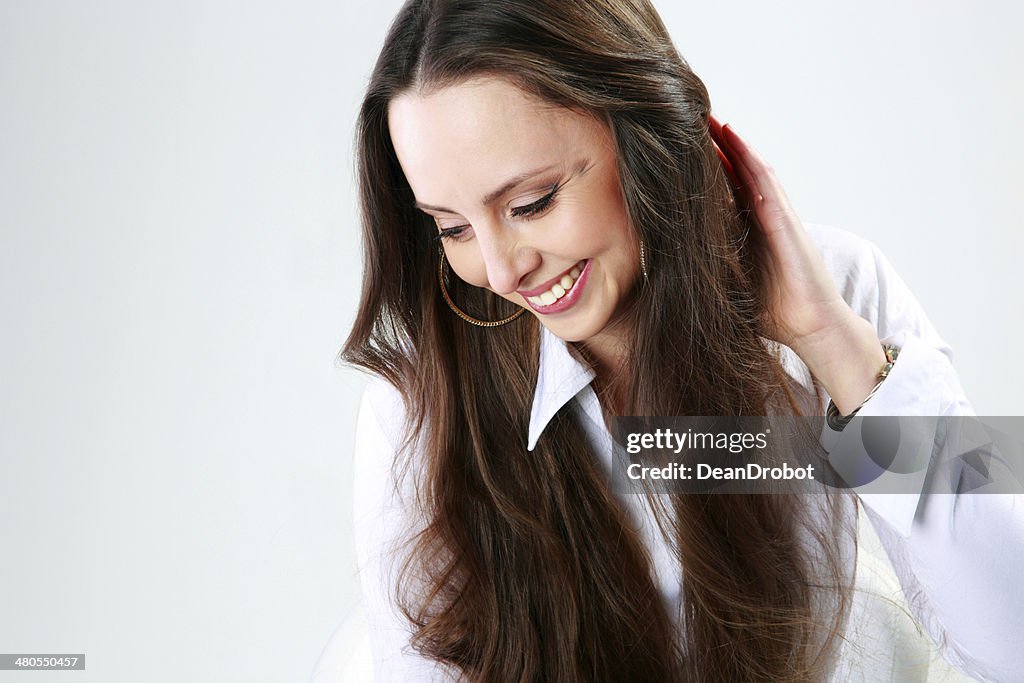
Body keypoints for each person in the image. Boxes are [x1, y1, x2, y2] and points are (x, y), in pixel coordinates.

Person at [340, 1, 1023, 681]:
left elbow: (1011, 640)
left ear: (646, 133)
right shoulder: (415, 407)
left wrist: (834, 347)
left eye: (531, 203)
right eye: (452, 226)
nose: (500, 269)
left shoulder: (838, 292)